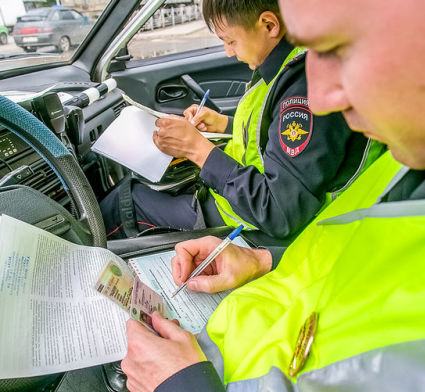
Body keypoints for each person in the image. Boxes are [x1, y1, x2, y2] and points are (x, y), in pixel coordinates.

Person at [120, 0, 425, 392]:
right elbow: (354, 255)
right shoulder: (416, 157)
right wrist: (263, 261)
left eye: (340, 48)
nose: (323, 95)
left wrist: (182, 384)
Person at [99, 0, 379, 240]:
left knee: (128, 201)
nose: (228, 52)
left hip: (254, 227)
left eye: (230, 40)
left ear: (269, 25)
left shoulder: (305, 87)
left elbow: (280, 212)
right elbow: (277, 136)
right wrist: (224, 124)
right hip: (241, 200)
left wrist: (197, 150)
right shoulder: (292, 64)